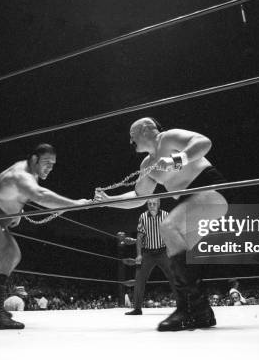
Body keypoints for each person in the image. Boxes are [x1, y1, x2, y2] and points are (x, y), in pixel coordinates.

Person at [94, 117, 229, 331]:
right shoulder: (147, 165)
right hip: (190, 201)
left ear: (147, 128)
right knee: (182, 251)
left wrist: (178, 159)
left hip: (210, 189)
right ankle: (201, 311)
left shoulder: (168, 138)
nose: (130, 141)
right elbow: (139, 197)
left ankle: (189, 310)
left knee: (167, 227)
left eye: (132, 134)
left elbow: (204, 142)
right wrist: (109, 201)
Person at [0, 144, 90, 330]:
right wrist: (74, 204)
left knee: (12, 255)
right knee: (8, 253)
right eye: (47, 162)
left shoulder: (29, 173)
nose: (50, 167)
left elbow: (15, 194)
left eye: (53, 164)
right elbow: (40, 195)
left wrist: (17, 210)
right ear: (34, 159)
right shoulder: (21, 175)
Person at [125, 198, 176, 316]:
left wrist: (170, 250)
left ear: (159, 204)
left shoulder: (166, 215)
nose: (152, 206)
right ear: (147, 205)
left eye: (154, 203)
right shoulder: (143, 216)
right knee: (139, 280)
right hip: (148, 253)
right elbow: (139, 237)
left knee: (174, 278)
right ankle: (137, 309)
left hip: (163, 252)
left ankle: (182, 306)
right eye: (149, 204)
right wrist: (138, 254)